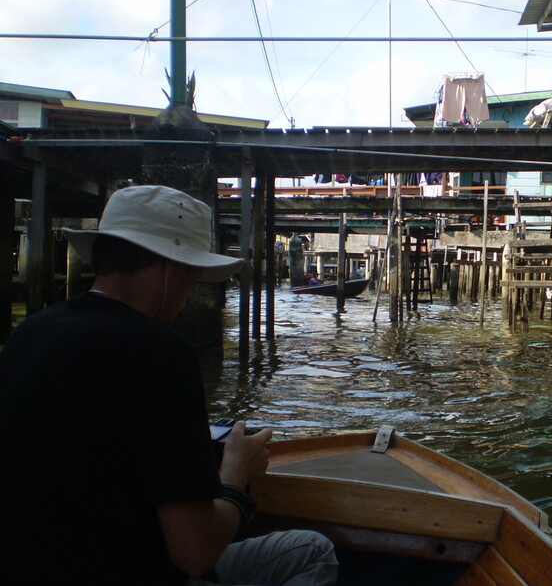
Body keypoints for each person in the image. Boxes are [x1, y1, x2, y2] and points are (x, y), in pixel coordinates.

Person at [0, 185, 338, 586]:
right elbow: (195, 553)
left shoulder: (29, 333)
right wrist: (236, 475)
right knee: (312, 553)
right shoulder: (160, 353)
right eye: (193, 275)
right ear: (173, 269)